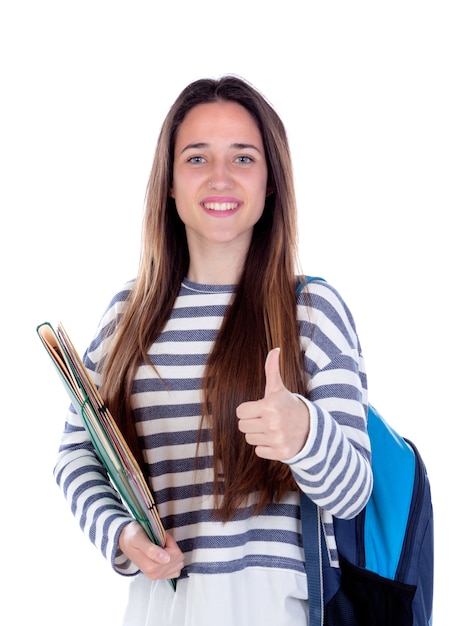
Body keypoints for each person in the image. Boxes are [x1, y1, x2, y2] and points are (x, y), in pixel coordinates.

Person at [54, 75, 373, 625]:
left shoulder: (311, 310)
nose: (219, 178)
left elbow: (353, 495)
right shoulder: (127, 316)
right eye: (197, 159)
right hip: (161, 610)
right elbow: (77, 456)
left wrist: (303, 432)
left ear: (271, 181)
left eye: (243, 158)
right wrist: (124, 534)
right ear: (170, 185)